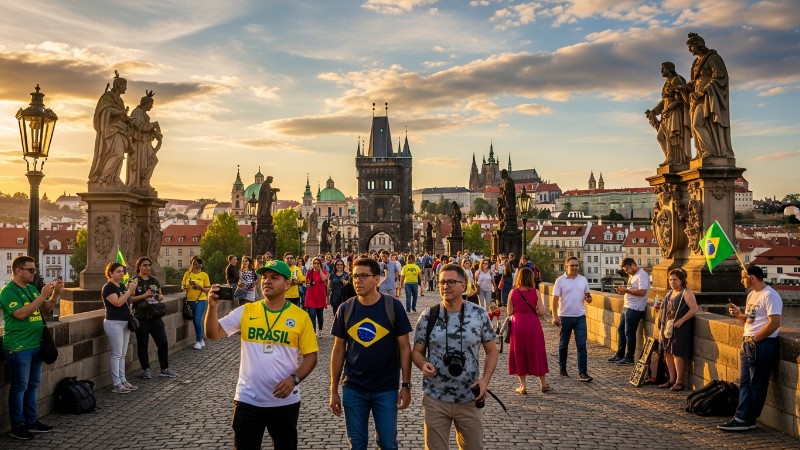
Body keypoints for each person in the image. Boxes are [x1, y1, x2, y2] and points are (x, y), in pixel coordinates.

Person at [204, 260, 319, 449]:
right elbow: (213, 333)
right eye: (265, 277)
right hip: (247, 399)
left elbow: (311, 357)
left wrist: (294, 380)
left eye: (274, 278)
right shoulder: (246, 311)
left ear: (287, 284)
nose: (267, 281)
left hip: (284, 401)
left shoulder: (301, 317)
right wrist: (212, 307)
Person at [411, 264, 498, 450]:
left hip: (469, 397)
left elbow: (492, 351)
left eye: (451, 281)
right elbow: (416, 352)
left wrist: (485, 381)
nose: (445, 286)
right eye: (442, 282)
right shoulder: (428, 316)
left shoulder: (479, 314)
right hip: (436, 397)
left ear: (463, 285)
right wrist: (423, 364)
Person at [329, 258, 413, 450]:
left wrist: (406, 385)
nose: (357, 280)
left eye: (363, 276)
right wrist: (333, 389)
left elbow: (405, 348)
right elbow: (339, 349)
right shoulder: (346, 308)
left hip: (386, 388)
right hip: (353, 388)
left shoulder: (393, 307)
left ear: (377, 279)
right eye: (355, 276)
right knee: (357, 445)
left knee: (387, 443)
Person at [1, 256, 62, 440]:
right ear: (18, 270)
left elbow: (44, 309)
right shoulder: (7, 291)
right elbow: (20, 314)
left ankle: (31, 421)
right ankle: (17, 426)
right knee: (19, 387)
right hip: (19, 347)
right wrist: (42, 295)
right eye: (31, 270)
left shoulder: (30, 288)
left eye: (35, 269)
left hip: (36, 345)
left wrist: (55, 294)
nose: (34, 273)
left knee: (33, 385)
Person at [718, 265, 782, 431]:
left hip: (762, 344)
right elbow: (751, 320)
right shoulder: (752, 295)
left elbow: (774, 323)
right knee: (745, 382)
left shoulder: (770, 295)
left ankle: (746, 418)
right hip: (749, 343)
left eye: (743, 277)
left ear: (752, 278)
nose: (741, 280)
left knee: (756, 384)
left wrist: (755, 339)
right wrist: (740, 315)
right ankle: (743, 418)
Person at [130, 257, 178, 379]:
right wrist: (145, 295)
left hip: (155, 315)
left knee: (163, 342)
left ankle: (164, 369)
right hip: (141, 317)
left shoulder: (154, 280)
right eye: (145, 265)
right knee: (143, 344)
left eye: (149, 265)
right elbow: (130, 299)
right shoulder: (134, 281)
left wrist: (157, 296)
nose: (148, 268)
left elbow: (161, 296)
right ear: (139, 267)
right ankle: (146, 369)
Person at [508, 268, 549, 394]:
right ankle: (543, 384)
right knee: (537, 351)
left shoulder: (512, 292)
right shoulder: (535, 292)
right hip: (533, 324)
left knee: (520, 352)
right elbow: (541, 312)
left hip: (518, 324)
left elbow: (510, 312)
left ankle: (523, 386)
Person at [551, 256, 593, 382]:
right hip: (565, 316)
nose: (575, 267)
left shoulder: (583, 279)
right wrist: (555, 316)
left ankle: (583, 372)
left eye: (576, 265)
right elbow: (555, 299)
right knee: (564, 345)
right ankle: (562, 367)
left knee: (581, 345)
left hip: (580, 316)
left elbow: (588, 295)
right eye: (572, 265)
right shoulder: (560, 280)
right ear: (566, 266)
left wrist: (589, 299)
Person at [656, 268, 697, 391]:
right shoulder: (670, 293)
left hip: (680, 327)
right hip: (668, 327)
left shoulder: (686, 292)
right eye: (670, 280)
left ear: (681, 280)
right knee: (668, 352)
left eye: (675, 279)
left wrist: (682, 320)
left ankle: (679, 382)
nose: (672, 282)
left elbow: (694, 308)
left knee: (678, 353)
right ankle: (671, 380)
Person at [103, 262, 139, 393]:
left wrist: (131, 290)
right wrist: (129, 291)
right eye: (118, 271)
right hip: (114, 323)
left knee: (122, 354)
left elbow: (127, 301)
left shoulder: (122, 286)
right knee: (116, 354)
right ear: (110, 273)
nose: (122, 273)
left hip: (124, 322)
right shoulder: (108, 287)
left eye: (122, 271)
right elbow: (117, 302)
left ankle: (123, 380)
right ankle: (116, 383)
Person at [609, 258, 651, 365]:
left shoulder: (642, 275)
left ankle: (629, 357)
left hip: (635, 308)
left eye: (627, 269)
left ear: (633, 265)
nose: (626, 271)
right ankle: (619, 355)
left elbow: (642, 292)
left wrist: (626, 290)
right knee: (621, 331)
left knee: (629, 333)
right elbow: (632, 291)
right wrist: (622, 292)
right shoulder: (632, 276)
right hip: (627, 306)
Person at [182, 256, 211, 350]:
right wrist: (184, 288)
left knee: (197, 320)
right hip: (189, 300)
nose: (195, 266)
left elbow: (208, 289)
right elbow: (182, 286)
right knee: (196, 321)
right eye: (194, 264)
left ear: (201, 265)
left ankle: (198, 341)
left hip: (201, 300)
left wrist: (200, 287)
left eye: (197, 264)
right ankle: (201, 339)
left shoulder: (204, 275)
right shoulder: (187, 274)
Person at [305, 257, 329, 337]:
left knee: (320, 315)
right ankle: (313, 331)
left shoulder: (325, 272)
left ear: (320, 264)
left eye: (318, 263)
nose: (316, 265)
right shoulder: (310, 272)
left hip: (320, 296)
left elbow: (323, 279)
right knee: (312, 314)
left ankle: (320, 330)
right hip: (310, 295)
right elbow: (306, 281)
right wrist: (308, 283)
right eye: (314, 263)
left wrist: (320, 270)